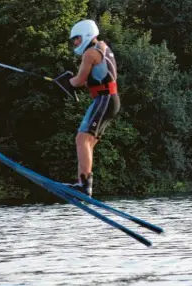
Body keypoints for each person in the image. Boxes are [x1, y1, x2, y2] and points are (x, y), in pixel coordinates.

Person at [64, 19, 120, 196]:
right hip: (108, 100)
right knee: (86, 142)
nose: (75, 43)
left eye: (77, 39)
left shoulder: (90, 53)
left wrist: (64, 82)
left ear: (87, 35)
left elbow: (79, 81)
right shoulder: (102, 47)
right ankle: (81, 183)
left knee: (82, 140)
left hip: (104, 100)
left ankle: (84, 185)